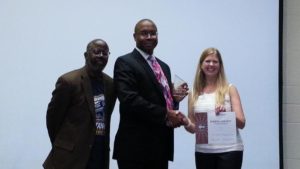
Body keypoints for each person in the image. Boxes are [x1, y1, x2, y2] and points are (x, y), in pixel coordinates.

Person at [112, 19, 188, 169]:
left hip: (161, 147)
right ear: (134, 37)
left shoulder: (163, 66)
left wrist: (175, 100)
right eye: (144, 33)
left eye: (153, 33)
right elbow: (129, 99)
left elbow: (163, 102)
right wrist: (166, 114)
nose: (149, 37)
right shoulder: (124, 62)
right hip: (135, 149)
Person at [43, 39, 116, 169]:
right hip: (69, 159)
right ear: (86, 55)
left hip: (99, 155)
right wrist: (64, 145)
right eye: (96, 52)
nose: (101, 56)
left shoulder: (110, 84)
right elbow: (53, 119)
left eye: (105, 53)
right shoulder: (68, 81)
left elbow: (106, 118)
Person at [183, 47, 246, 169]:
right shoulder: (193, 93)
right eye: (207, 61)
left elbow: (242, 123)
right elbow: (193, 128)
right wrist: (185, 122)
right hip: (203, 151)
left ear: (220, 65)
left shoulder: (230, 89)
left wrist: (227, 114)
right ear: (201, 65)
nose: (211, 64)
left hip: (230, 151)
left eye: (215, 61)